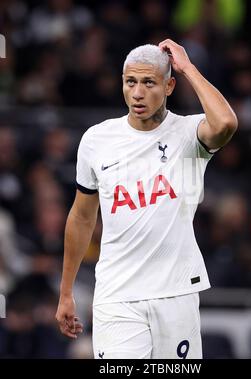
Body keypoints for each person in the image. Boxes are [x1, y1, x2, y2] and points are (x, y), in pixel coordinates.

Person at [55, 39, 238, 359]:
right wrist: (66, 291)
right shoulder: (97, 140)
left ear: (169, 86)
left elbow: (226, 123)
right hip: (117, 295)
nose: (137, 93)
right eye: (130, 82)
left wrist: (188, 68)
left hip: (176, 292)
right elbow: (82, 217)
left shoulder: (188, 133)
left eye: (149, 82)